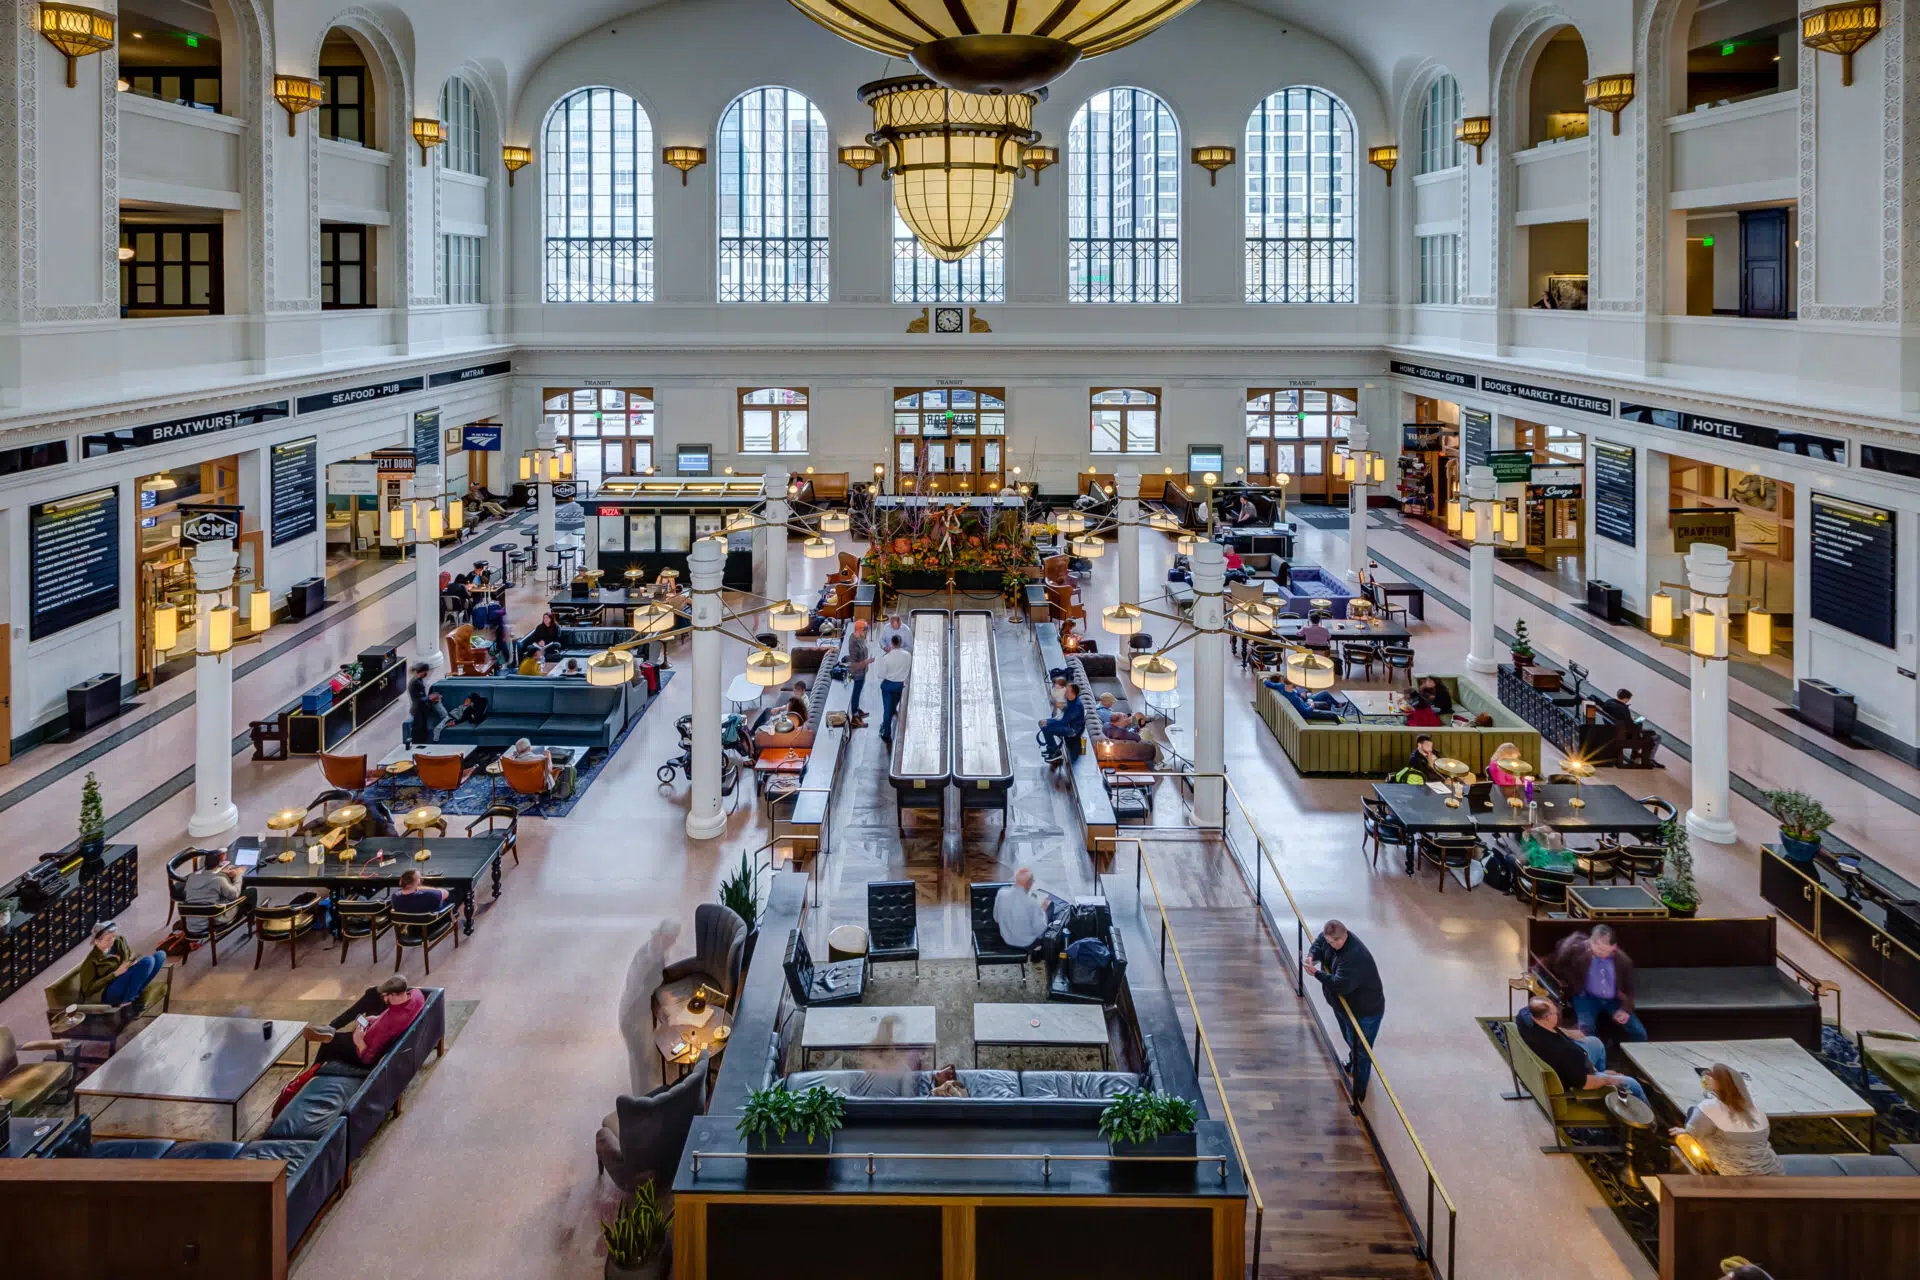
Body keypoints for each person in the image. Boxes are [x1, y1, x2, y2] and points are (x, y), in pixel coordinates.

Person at [1306, 920, 1385, 1106]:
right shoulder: (1329, 938)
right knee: (1350, 1039)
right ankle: (1352, 1063)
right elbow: (1319, 942)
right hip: (1344, 1007)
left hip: (1364, 1013)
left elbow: (1341, 985)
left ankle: (1359, 1094)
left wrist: (1315, 973)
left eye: (1336, 943)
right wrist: (1311, 956)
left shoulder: (1354, 957)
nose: (1333, 946)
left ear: (1345, 934)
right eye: (1330, 943)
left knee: (1362, 1052)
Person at [1514, 996, 1648, 1104]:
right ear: (1547, 1017)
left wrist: (1567, 1033)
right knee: (1632, 1084)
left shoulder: (1525, 1019)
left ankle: (1601, 1082)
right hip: (1579, 1080)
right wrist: (1608, 1079)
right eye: (1555, 1013)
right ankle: (1648, 1126)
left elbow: (1526, 1010)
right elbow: (1584, 1083)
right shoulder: (1564, 1052)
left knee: (1595, 1043)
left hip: (1576, 1063)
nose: (1558, 1016)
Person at [1674, 1063, 1784, 1175]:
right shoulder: (1756, 1109)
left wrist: (1685, 1132)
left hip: (1733, 1175)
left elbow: (1694, 1132)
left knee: (1685, 1131)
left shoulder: (1709, 1108)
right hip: (1773, 1171)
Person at [303, 975, 427, 1067]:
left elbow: (368, 1059)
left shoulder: (387, 1025)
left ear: (393, 994)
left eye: (385, 995)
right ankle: (332, 1027)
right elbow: (393, 1013)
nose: (383, 997)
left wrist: (359, 1040)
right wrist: (377, 1018)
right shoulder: (417, 995)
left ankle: (312, 1072)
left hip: (363, 1046)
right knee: (372, 993)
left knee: (329, 1043)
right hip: (380, 1023)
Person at [1551, 924, 1648, 1042]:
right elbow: (1560, 965)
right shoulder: (1577, 950)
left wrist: (1625, 1010)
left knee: (1638, 1032)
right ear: (1590, 942)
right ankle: (1591, 1056)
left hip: (1613, 999)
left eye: (1604, 950)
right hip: (1585, 997)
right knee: (1586, 1030)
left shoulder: (1624, 961)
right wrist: (1572, 984)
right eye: (1596, 948)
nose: (1599, 953)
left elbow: (1630, 989)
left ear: (1614, 947)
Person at [78, 921, 167, 1007]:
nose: (112, 941)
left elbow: (128, 955)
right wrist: (115, 973)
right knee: (148, 961)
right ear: (96, 941)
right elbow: (88, 990)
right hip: (108, 990)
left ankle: (136, 992)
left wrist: (130, 962)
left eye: (113, 936)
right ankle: (127, 1002)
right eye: (108, 939)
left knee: (160, 955)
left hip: (124, 976)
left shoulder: (119, 940)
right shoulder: (91, 961)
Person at [181, 849, 256, 936]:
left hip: (194, 924)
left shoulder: (191, 877)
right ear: (221, 863)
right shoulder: (218, 880)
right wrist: (239, 874)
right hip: (214, 919)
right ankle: (251, 921)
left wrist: (221, 873)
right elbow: (234, 894)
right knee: (251, 892)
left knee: (219, 893)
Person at [992, 868, 1063, 953]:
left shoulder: (1001, 893)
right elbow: (1040, 929)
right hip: (1026, 944)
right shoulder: (1032, 902)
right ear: (1029, 884)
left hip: (1006, 939)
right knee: (1050, 907)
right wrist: (1042, 911)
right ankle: (1043, 951)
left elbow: (996, 918)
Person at [874, 634, 913, 746]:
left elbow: (881, 675)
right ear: (901, 643)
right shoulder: (907, 655)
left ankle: (886, 732)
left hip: (888, 686)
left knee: (887, 710)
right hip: (899, 685)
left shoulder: (886, 658)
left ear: (891, 643)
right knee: (892, 707)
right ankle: (887, 722)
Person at [1038, 681, 1086, 760]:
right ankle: (1051, 748)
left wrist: (1049, 722)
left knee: (1046, 728)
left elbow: (1064, 722)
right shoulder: (1071, 700)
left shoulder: (1076, 706)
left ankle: (1056, 751)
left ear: (1073, 693)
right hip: (1068, 724)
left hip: (1073, 730)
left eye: (1067, 691)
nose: (1065, 693)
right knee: (1043, 724)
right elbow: (1066, 711)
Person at [407, 662, 442, 747]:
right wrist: (430, 698)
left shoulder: (418, 680)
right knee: (419, 731)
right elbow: (418, 699)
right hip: (418, 710)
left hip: (421, 709)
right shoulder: (415, 682)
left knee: (422, 730)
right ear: (423, 671)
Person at [846, 619, 872, 718]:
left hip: (863, 670)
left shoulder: (860, 638)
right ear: (859, 630)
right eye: (864, 630)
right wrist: (866, 662)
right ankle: (855, 715)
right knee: (856, 693)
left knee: (859, 691)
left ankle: (856, 709)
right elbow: (853, 663)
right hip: (857, 673)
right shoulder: (853, 642)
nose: (866, 632)